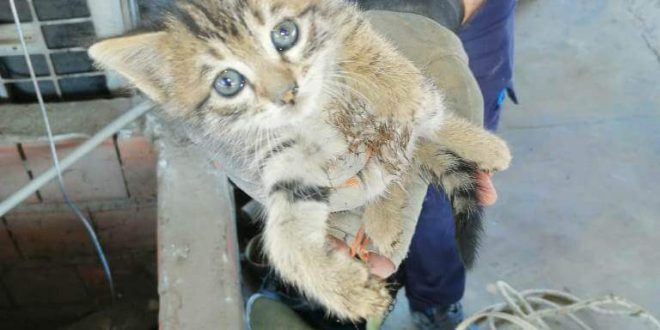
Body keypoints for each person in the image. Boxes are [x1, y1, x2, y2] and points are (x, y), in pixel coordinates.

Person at [246, 1, 517, 329]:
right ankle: (314, 299)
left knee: (442, 189)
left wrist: (420, 18)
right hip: (310, 29)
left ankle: (436, 303)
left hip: (460, 22)